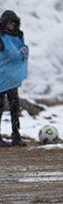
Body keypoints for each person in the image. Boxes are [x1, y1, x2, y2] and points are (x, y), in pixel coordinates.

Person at [0, 10, 29, 148]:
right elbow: (13, 55)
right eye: (9, 23)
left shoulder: (18, 37)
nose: (11, 25)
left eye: (13, 23)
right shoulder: (1, 38)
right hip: (1, 79)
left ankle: (16, 134)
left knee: (14, 107)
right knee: (0, 107)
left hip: (12, 81)